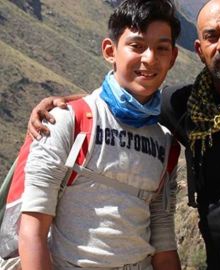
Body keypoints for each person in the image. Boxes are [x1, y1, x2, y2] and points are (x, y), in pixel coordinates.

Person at [27, 0, 220, 269]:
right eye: (212, 35)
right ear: (199, 48)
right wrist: (67, 104)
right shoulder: (184, 106)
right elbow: (131, 100)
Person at [18, 0, 181, 269]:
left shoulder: (166, 144)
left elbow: (163, 244)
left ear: (173, 57)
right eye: (137, 46)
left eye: (161, 48)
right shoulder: (67, 122)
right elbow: (32, 231)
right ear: (110, 50)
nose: (150, 58)